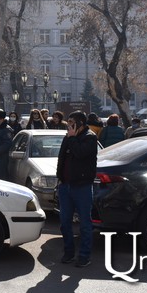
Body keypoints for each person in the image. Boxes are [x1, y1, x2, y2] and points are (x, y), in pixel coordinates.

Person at [56, 110, 97, 268]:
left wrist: (72, 138)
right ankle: (69, 252)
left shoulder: (90, 137)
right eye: (68, 123)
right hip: (65, 186)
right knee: (64, 222)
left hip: (82, 187)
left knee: (85, 223)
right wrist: (59, 178)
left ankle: (84, 256)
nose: (69, 126)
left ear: (80, 124)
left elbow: (80, 153)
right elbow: (61, 158)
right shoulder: (68, 137)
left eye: (72, 123)